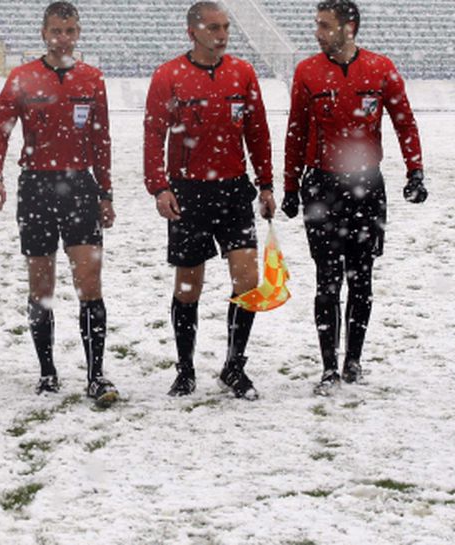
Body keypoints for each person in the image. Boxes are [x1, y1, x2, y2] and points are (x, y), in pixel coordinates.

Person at [282, 0, 426, 396]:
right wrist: (291, 185)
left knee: (361, 280)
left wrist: (415, 171)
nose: (317, 32)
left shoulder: (380, 68)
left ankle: (354, 361)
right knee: (327, 281)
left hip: (367, 188)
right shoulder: (307, 71)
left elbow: (404, 121)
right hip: (322, 188)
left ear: (349, 27)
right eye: (317, 24)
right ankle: (328, 366)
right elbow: (296, 129)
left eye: (324, 25)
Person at [0, 1, 119, 407]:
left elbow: (101, 140)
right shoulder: (23, 77)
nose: (63, 38)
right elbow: (0, 130)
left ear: (78, 34)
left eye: (70, 31)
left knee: (89, 285)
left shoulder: (92, 79)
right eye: (56, 31)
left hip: (79, 185)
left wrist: (106, 191)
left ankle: (96, 376)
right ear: (44, 34)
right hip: (37, 188)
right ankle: (47, 372)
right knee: (41, 286)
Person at [143, 1, 275, 400]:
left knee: (249, 282)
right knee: (188, 289)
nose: (221, 35)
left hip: (234, 190)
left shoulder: (242, 73)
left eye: (226, 27)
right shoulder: (169, 76)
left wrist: (266, 183)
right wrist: (159, 187)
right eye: (213, 28)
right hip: (189, 193)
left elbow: (258, 131)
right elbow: (153, 136)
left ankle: (234, 367)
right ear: (192, 32)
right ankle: (185, 370)